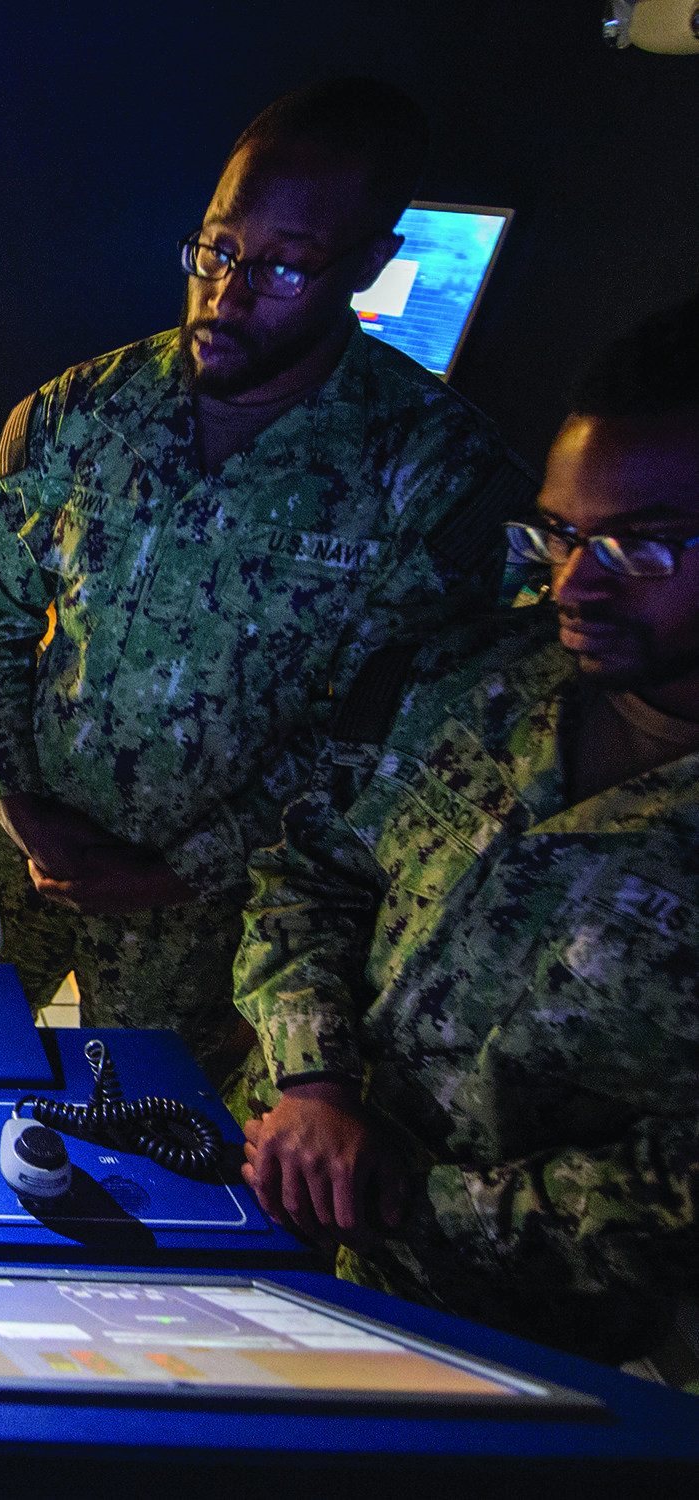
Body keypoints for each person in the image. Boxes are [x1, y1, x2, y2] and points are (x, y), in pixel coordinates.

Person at [0, 78, 530, 1086]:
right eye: (215, 251)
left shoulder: (433, 475)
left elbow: (379, 746)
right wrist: (17, 797)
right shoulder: (74, 416)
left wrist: (178, 869)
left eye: (284, 270)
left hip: (207, 910)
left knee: (152, 1143)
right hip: (9, 845)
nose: (228, 295)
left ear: (372, 265)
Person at [230, 295, 699, 1372]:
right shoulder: (478, 678)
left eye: (642, 549)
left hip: (553, 1354)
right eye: (564, 534)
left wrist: (405, 1201)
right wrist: (314, 1084)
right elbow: (312, 870)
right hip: (286, 1221)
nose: (573, 585)